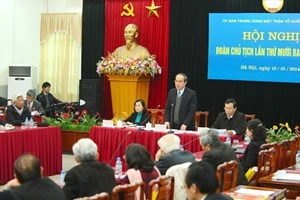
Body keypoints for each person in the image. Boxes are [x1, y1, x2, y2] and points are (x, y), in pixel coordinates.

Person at [0, 154, 65, 200]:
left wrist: (8, 186)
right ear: (41, 170)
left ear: (15, 176)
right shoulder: (56, 189)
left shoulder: (10, 195)